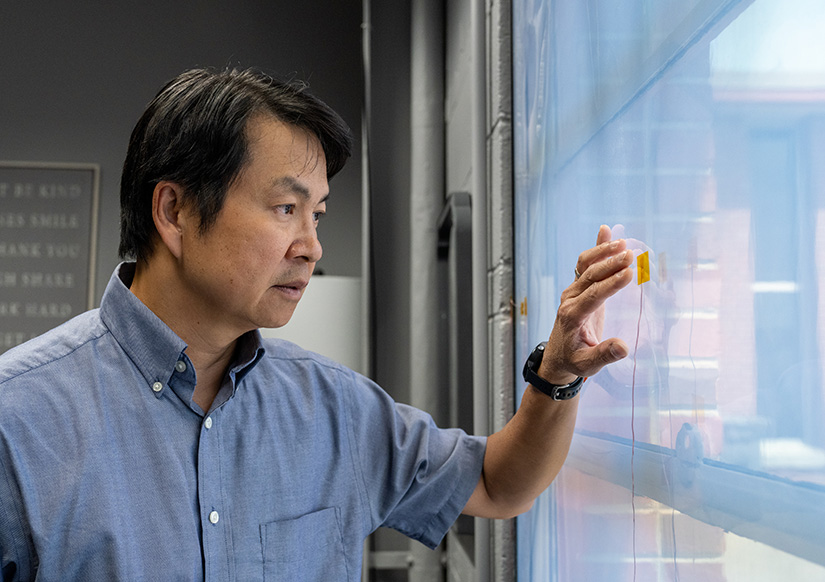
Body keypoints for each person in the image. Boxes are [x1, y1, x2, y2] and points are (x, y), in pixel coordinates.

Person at [0, 68, 634, 581]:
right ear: (176, 211)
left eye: (318, 216)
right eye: (285, 208)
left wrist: (556, 374)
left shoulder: (333, 408)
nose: (311, 246)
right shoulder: (19, 419)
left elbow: (499, 484)